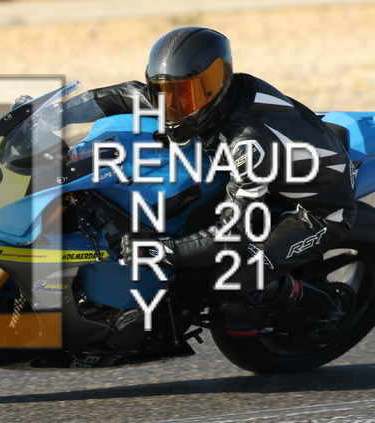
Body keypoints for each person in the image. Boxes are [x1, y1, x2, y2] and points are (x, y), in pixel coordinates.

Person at [98, 27, 357, 330]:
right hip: (274, 176)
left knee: (231, 282)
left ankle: (316, 309)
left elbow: (230, 236)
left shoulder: (248, 142)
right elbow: (128, 95)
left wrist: (162, 250)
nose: (177, 106)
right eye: (167, 93)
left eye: (188, 94)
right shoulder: (216, 97)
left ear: (219, 80)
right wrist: (58, 111)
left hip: (319, 213)